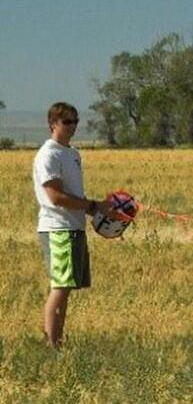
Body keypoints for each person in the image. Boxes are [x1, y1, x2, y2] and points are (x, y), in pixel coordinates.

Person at [32, 102, 107, 349]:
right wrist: (92, 207)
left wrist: (101, 209)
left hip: (74, 226)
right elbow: (55, 196)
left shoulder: (72, 154)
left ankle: (58, 340)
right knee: (61, 285)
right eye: (67, 122)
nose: (72, 126)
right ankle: (52, 344)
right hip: (57, 227)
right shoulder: (49, 154)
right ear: (52, 123)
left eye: (75, 121)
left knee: (68, 287)